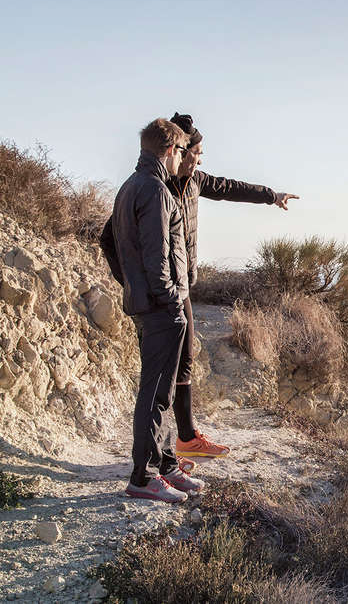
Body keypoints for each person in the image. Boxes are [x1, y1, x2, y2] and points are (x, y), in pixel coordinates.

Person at [100, 112, 299, 460]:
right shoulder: (154, 189)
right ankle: (163, 455)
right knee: (161, 376)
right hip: (160, 296)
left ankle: (181, 441)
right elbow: (109, 238)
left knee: (182, 362)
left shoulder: (194, 182)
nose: (198, 162)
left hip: (179, 289)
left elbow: (232, 188)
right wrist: (135, 284)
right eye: (194, 155)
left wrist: (271, 196)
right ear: (178, 150)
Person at [112, 118, 205, 502]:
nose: (184, 158)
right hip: (160, 307)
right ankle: (142, 475)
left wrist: (132, 285)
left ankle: (165, 465)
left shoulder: (132, 186)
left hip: (149, 302)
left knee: (162, 393)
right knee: (154, 394)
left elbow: (112, 244)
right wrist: (170, 301)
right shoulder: (154, 190)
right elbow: (157, 255)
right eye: (183, 151)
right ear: (171, 150)